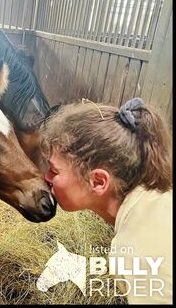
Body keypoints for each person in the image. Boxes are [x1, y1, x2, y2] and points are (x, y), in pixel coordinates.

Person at [40, 97, 172, 304]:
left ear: (99, 181)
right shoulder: (158, 200)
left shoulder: (134, 252)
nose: (46, 177)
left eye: (54, 170)